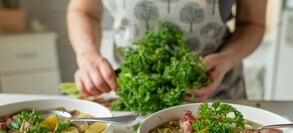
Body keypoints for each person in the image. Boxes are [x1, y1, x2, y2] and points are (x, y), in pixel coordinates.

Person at [67, 0, 266, 102]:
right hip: (135, 92)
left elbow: (252, 23)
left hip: (218, 92)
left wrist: (225, 60)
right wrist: (88, 57)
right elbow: (83, 11)